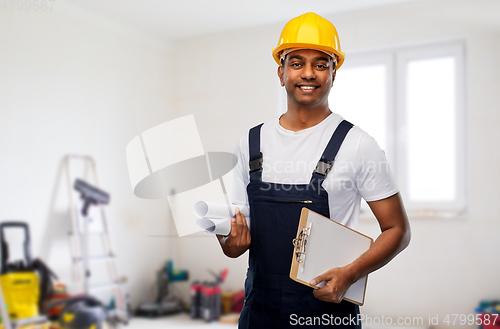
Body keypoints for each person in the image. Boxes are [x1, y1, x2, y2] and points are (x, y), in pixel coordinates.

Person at [216, 12, 411, 328]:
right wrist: (230, 244)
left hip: (327, 309)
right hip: (259, 311)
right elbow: (238, 238)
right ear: (281, 73)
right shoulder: (250, 143)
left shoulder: (358, 144)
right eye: (296, 63)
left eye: (321, 64)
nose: (308, 73)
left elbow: (398, 231)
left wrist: (350, 274)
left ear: (334, 73)